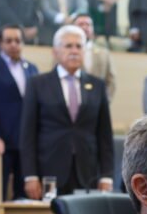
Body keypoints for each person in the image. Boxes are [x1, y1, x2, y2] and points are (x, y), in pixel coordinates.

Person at [20, 25, 112, 198]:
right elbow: (28, 134)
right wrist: (30, 175)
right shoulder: (37, 84)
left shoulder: (97, 86)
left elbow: (104, 135)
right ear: (55, 51)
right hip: (48, 171)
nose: (74, 51)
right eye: (68, 46)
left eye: (79, 46)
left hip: (87, 172)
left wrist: (107, 175)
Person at [0, 24, 39, 200]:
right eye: (9, 41)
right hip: (2, 143)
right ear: (1, 44)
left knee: (25, 197)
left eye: (17, 41)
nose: (13, 45)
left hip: (26, 143)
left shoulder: (32, 68)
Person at [73, 13, 114, 102]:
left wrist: (105, 102)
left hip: (97, 106)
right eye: (81, 24)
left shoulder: (104, 53)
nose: (84, 27)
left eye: (88, 24)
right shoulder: (63, 52)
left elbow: (110, 80)